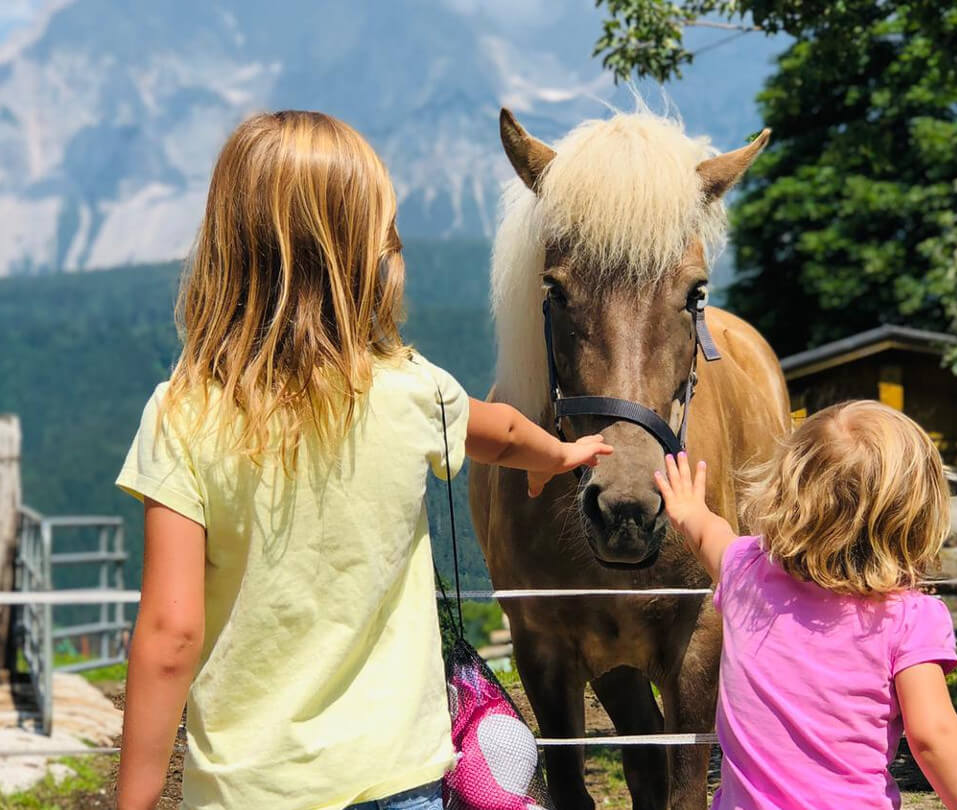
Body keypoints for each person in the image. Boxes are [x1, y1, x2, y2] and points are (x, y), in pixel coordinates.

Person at [114, 110, 612, 810]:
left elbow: (171, 635)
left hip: (250, 792)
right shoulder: (412, 390)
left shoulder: (183, 415)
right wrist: (557, 453)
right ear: (363, 259)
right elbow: (497, 428)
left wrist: (130, 802)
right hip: (399, 778)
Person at [654, 400, 957, 810]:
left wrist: (691, 512)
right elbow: (933, 736)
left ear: (788, 489)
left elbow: (708, 535)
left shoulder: (745, 573)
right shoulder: (908, 619)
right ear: (913, 513)